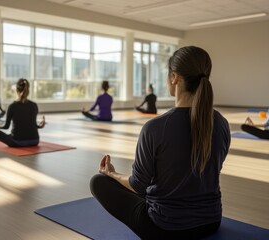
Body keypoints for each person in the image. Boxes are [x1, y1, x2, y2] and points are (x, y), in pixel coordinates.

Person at [90, 46, 231, 240]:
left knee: (98, 182)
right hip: (211, 222)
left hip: (166, 229)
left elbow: (138, 185)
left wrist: (112, 173)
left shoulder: (155, 128)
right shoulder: (221, 123)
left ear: (174, 77)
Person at [0, 79, 45, 147]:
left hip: (17, 142)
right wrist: (41, 125)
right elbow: (34, 125)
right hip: (34, 141)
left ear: (17, 91)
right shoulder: (34, 105)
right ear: (28, 91)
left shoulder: (12, 106)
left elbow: (6, 126)